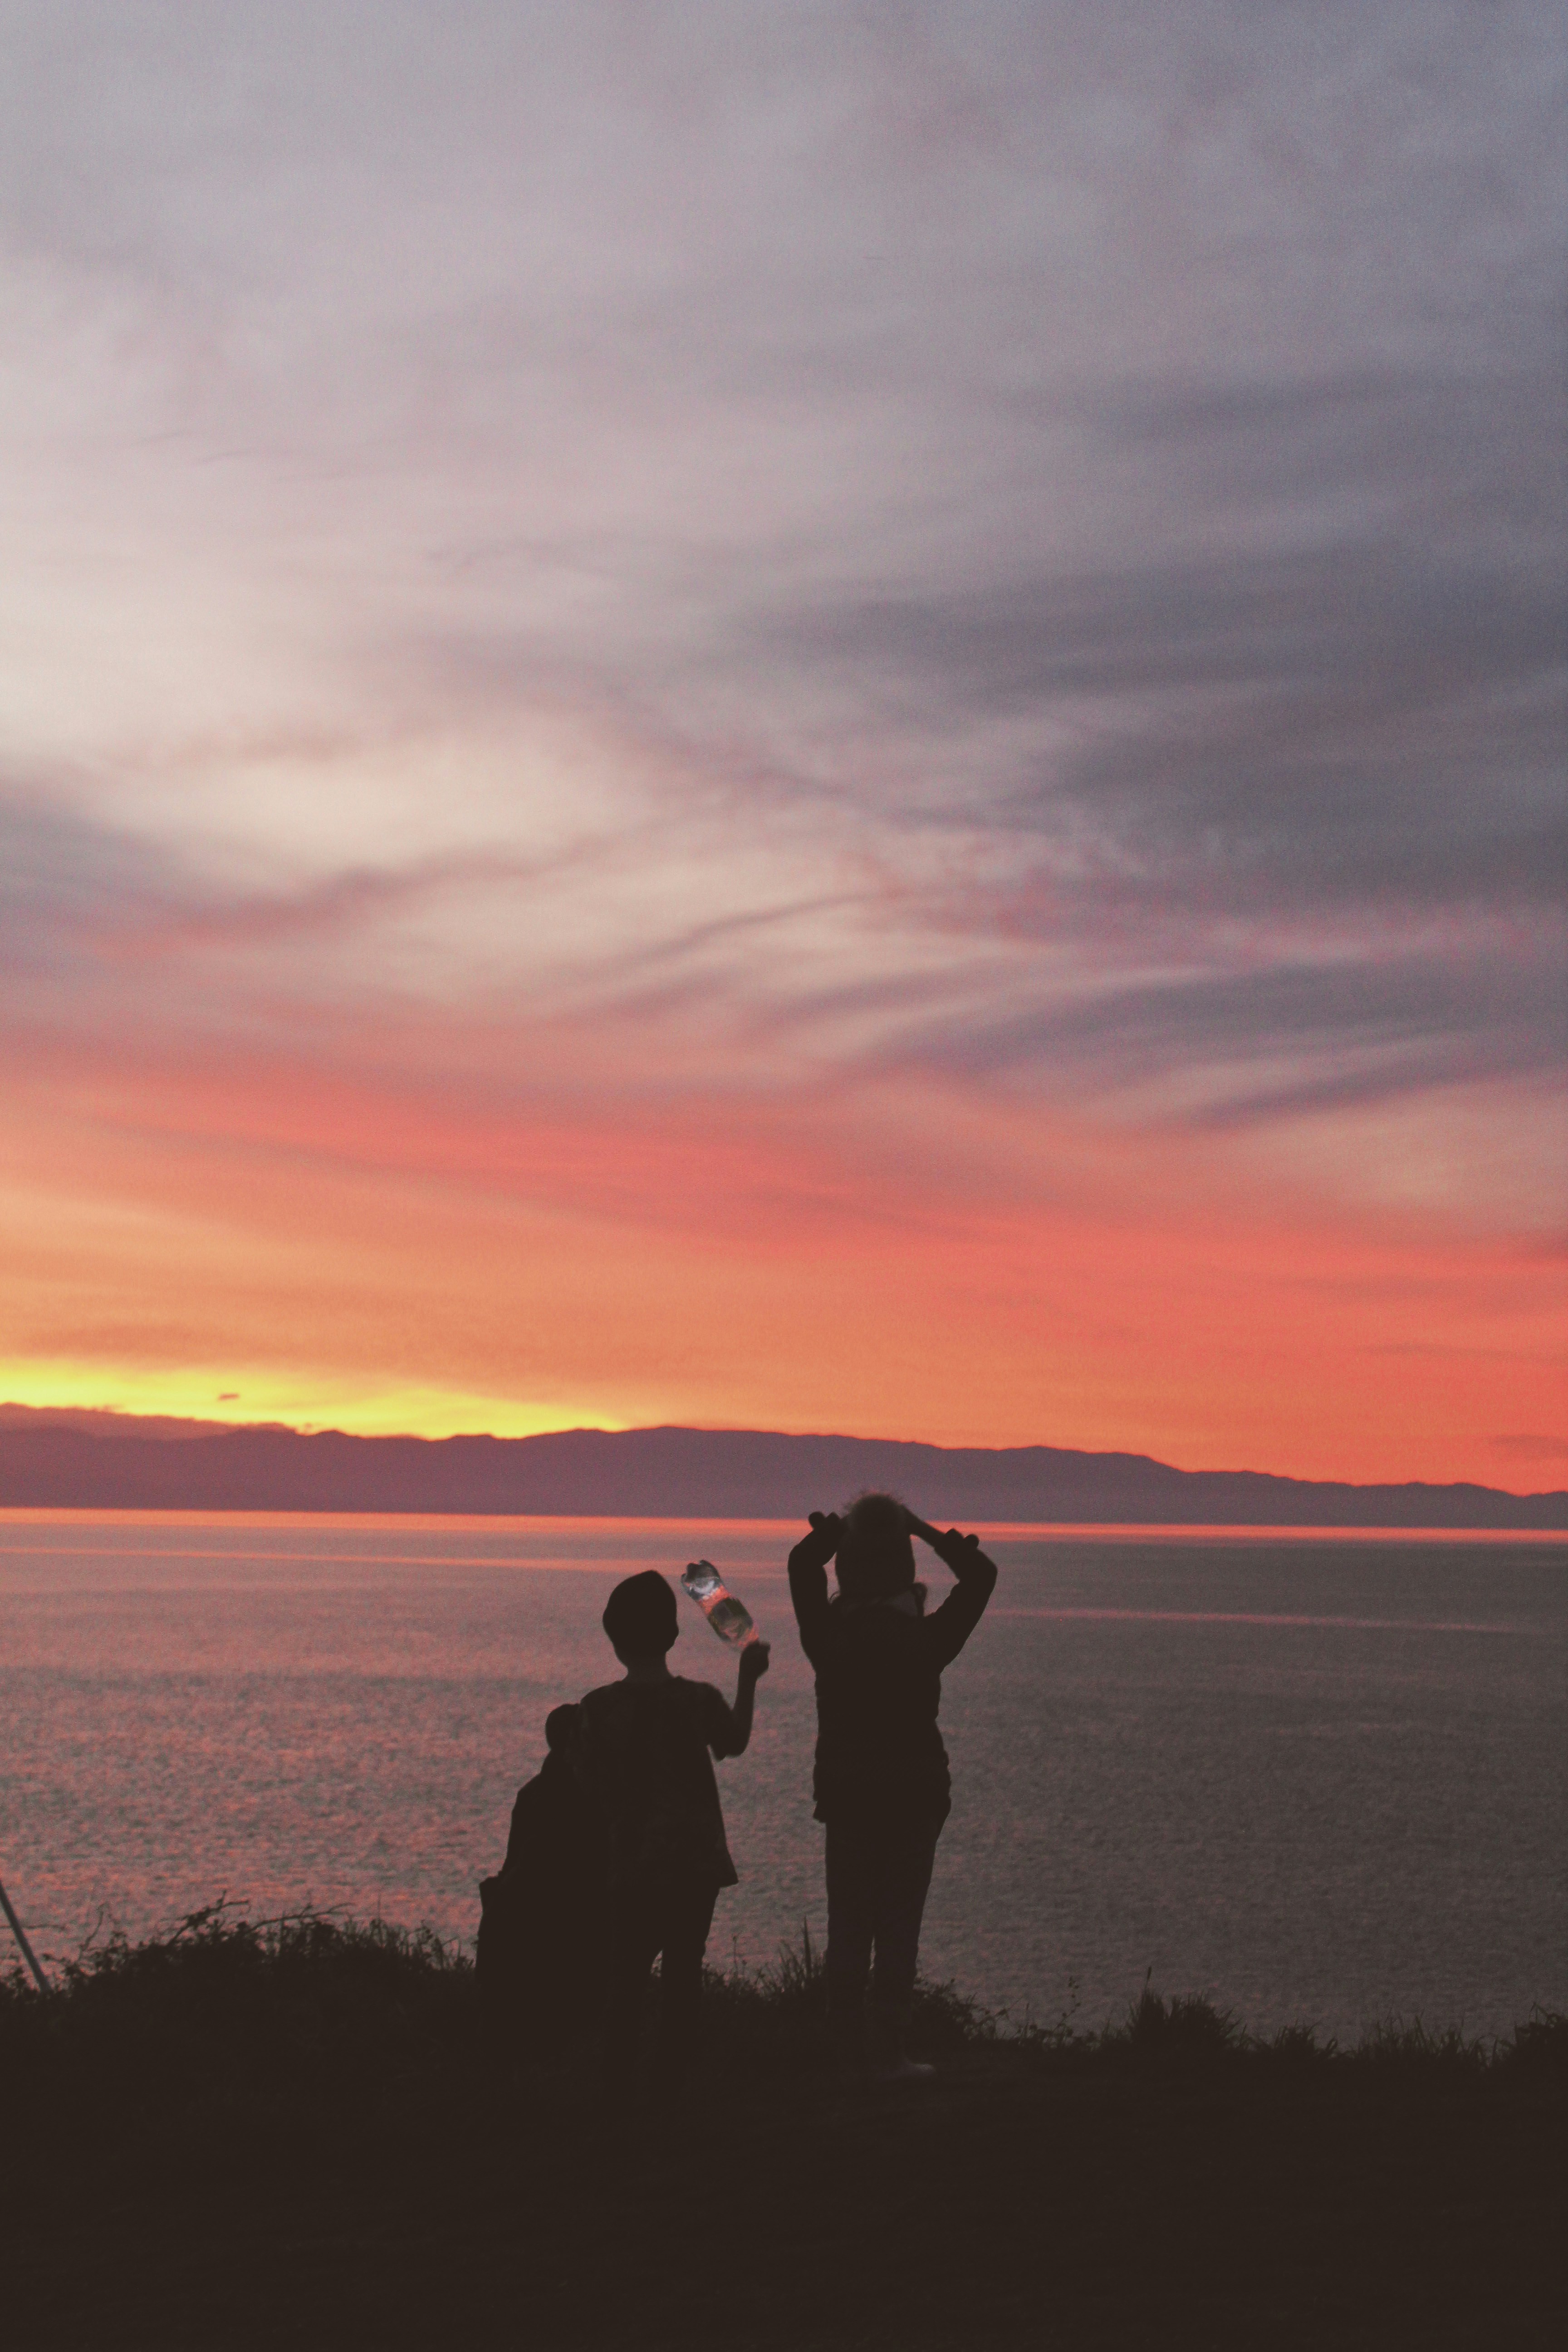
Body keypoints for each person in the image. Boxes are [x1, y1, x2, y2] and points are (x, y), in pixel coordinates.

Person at [787, 1493, 997, 2081]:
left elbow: (802, 1569)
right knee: (899, 1927)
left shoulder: (830, 1642)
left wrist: (829, 1539)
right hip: (914, 1797)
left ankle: (846, 2052)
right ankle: (889, 2052)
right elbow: (981, 1575)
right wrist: (924, 1530)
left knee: (849, 1926)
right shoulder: (925, 1642)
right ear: (905, 1568)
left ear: (847, 1568)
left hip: (850, 1798)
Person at [579, 1568, 769, 2094]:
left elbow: (588, 1789)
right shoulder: (696, 1701)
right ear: (674, 1636)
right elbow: (733, 1742)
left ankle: (614, 2087)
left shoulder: (597, 1709)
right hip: (693, 1863)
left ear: (613, 1639)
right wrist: (749, 1678)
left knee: (626, 1978)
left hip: (632, 1863)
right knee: (684, 1974)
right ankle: (671, 2086)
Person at [477, 1701, 606, 2067]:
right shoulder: (592, 1796)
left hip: (526, 1919)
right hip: (569, 1927)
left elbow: (513, 1862)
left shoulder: (532, 1794)